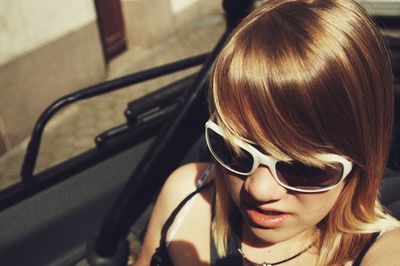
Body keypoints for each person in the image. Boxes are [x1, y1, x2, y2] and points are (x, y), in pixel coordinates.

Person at [133, 0, 400, 265]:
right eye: (234, 150)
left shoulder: (382, 251)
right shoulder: (187, 195)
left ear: (363, 155)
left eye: (303, 169)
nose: (258, 189)